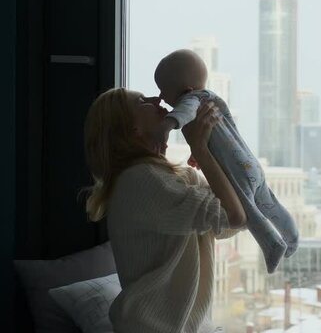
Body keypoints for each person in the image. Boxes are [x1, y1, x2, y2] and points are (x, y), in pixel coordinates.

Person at [84, 87, 246, 332]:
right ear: (133, 128)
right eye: (142, 101)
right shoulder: (140, 180)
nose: (157, 98)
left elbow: (232, 224)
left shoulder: (177, 177)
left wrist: (211, 153)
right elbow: (234, 217)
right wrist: (201, 149)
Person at [153, 49, 298, 274]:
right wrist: (200, 151)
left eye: (163, 90)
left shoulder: (192, 100)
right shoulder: (212, 100)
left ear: (186, 90)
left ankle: (272, 245)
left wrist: (166, 127)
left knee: (251, 211)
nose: (161, 97)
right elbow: (219, 139)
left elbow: (184, 111)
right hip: (250, 164)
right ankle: (291, 235)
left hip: (237, 171)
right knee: (269, 202)